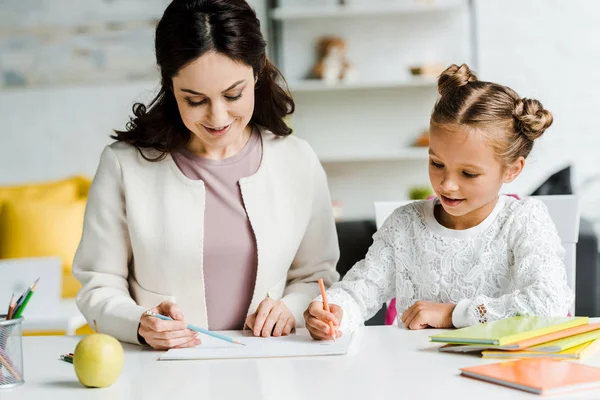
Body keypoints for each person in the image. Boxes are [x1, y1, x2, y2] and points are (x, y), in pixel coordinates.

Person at [73, 0, 340, 349]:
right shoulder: (124, 166)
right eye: (195, 100)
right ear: (170, 85)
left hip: (272, 366)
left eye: (233, 95)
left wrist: (289, 308)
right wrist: (139, 324)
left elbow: (316, 275)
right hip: (163, 371)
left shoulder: (297, 160)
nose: (217, 117)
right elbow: (99, 283)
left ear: (257, 73)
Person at [304, 64, 574, 340]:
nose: (447, 184)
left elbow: (549, 303)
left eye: (468, 173)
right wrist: (334, 311)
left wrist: (452, 314)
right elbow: (360, 290)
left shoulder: (523, 221)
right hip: (416, 373)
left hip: (498, 373)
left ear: (512, 170)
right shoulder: (405, 224)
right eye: (436, 163)